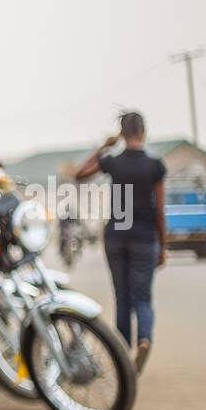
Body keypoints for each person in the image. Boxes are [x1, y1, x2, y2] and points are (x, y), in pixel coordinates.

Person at [74, 111, 166, 373]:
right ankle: (144, 340)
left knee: (122, 297)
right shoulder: (154, 165)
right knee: (143, 298)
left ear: (123, 133)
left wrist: (103, 146)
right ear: (144, 131)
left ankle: (123, 356)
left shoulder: (114, 162)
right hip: (145, 236)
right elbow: (159, 209)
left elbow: (80, 174)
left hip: (117, 235)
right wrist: (163, 246)